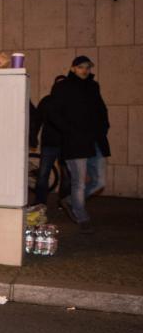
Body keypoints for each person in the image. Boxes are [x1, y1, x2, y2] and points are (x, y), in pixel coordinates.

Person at [54, 56, 109, 232]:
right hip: (75, 142)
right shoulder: (63, 87)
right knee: (79, 182)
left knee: (99, 182)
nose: (84, 70)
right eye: (80, 67)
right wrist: (69, 132)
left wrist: (103, 128)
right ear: (72, 68)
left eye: (87, 67)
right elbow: (54, 114)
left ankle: (71, 201)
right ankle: (81, 216)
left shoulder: (93, 86)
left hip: (95, 141)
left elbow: (101, 110)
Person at [34, 75, 70, 207]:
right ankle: (40, 202)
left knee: (66, 175)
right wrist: (33, 137)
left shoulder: (71, 102)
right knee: (43, 174)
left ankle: (64, 202)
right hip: (49, 144)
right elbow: (37, 120)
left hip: (66, 144)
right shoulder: (47, 101)